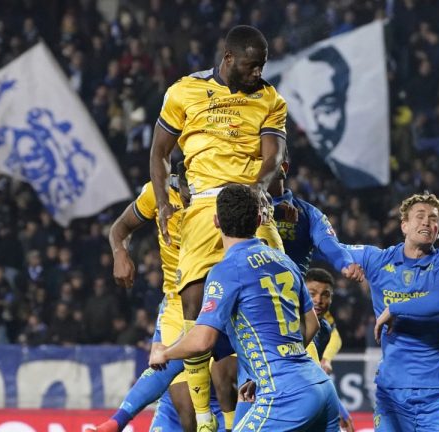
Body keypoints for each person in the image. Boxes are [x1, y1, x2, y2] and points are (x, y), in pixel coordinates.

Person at [150, 24, 287, 429]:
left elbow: (274, 155)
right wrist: (161, 202)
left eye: (262, 66)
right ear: (227, 58)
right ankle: (208, 418)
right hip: (203, 205)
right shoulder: (183, 92)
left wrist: (260, 189)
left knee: (279, 294)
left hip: (248, 203)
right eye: (250, 66)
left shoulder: (270, 99)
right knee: (193, 303)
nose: (257, 73)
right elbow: (159, 152)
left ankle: (276, 399)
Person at [149, 184, 341, 431]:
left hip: (284, 396)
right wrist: (263, 374)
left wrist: (164, 352)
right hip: (321, 387)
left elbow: (203, 340)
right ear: (260, 219)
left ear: (216, 221)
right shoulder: (284, 261)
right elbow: (312, 323)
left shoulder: (226, 270)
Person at [87, 163, 220, 432]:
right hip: (176, 299)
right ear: (177, 182)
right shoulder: (157, 194)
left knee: (220, 384)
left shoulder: (219, 197)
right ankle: (116, 422)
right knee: (182, 398)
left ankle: (118, 422)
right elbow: (120, 228)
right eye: (186, 191)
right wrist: (120, 254)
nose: (190, 197)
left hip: (217, 298)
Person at [343, 192, 439, 431]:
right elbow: (328, 248)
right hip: (391, 392)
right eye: (420, 216)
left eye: (433, 218)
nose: (427, 222)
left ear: (438, 231)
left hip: (438, 392)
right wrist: (343, 263)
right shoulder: (377, 260)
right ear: (404, 225)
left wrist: (394, 309)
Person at [268, 152, 363, 371]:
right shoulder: (244, 206)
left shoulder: (308, 214)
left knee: (307, 384)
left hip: (292, 307)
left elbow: (331, 246)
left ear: (283, 166)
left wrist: (345, 264)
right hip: (251, 304)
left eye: (264, 160)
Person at [305, 268, 356, 432]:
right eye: (311, 293)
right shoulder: (291, 325)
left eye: (325, 295)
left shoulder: (325, 329)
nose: (318, 300)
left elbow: (316, 375)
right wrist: (340, 410)